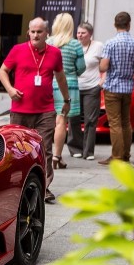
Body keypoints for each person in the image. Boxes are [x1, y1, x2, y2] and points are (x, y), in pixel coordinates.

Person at [0, 17, 70, 204]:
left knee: (44, 150)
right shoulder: (17, 50)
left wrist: (67, 99)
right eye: (33, 31)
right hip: (20, 110)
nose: (36, 35)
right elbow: (2, 71)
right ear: (28, 33)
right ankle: (14, 187)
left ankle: (44, 187)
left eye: (40, 31)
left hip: (45, 111)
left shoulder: (54, 53)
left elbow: (61, 78)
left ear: (47, 33)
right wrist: (10, 89)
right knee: (16, 151)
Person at [99, 12, 134, 165]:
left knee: (115, 123)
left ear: (115, 25)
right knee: (126, 122)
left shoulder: (110, 43)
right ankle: (126, 155)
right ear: (129, 24)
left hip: (113, 86)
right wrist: (131, 66)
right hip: (128, 86)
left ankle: (117, 156)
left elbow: (104, 66)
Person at [48, 13, 86, 169]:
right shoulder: (75, 44)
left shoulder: (49, 43)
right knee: (62, 121)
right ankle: (56, 156)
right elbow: (81, 67)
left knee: (51, 122)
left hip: (50, 83)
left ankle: (55, 156)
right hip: (69, 84)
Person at [68, 21, 104, 161]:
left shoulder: (98, 46)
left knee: (90, 120)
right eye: (78, 32)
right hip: (74, 87)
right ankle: (75, 148)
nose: (80, 35)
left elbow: (105, 64)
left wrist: (102, 81)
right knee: (73, 118)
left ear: (90, 34)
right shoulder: (72, 45)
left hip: (91, 87)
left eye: (83, 33)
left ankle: (88, 151)